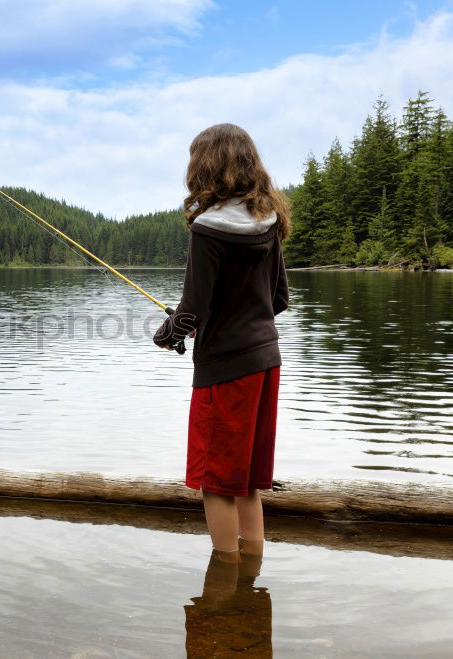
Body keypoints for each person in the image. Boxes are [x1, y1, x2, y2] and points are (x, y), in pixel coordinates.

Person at [154, 123, 291, 560]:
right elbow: (279, 300)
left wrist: (170, 332)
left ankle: (225, 587)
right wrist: (204, 319)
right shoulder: (267, 220)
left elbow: (193, 310)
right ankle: (250, 577)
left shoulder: (206, 229)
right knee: (246, 481)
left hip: (225, 368)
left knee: (215, 483)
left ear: (206, 166)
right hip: (266, 359)